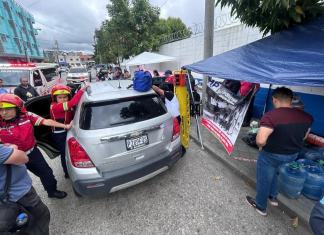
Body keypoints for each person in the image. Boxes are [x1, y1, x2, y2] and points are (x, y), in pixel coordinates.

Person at [246, 87, 313, 216]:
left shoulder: (271, 116)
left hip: (271, 154)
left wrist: (262, 146)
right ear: (291, 100)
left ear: (274, 100)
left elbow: (260, 140)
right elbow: (304, 137)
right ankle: (273, 197)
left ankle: (260, 206)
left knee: (264, 179)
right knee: (277, 174)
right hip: (293, 155)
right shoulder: (307, 117)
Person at [0, 94, 70, 199]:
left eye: (8, 109)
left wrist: (65, 126)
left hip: (32, 153)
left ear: (18, 108)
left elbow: (46, 121)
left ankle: (52, 191)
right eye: (1, 110)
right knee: (14, 183)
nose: (4, 113)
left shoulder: (27, 116)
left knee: (47, 173)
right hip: (11, 157)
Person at [0, 144, 50, 235]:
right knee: (40, 217)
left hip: (7, 198)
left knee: (18, 224)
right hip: (19, 195)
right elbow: (23, 158)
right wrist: (13, 148)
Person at [50, 84, 87, 178]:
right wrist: (82, 90)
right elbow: (72, 103)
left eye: (65, 97)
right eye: (60, 97)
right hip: (59, 135)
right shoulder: (55, 106)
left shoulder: (64, 104)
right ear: (55, 98)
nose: (63, 99)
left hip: (67, 130)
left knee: (70, 153)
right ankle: (67, 173)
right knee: (65, 154)